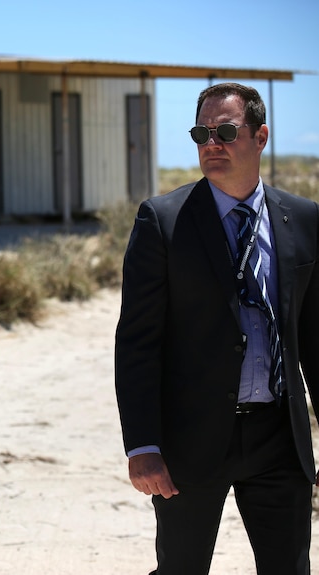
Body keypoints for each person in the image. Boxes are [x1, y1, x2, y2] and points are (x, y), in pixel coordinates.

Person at [115, 82, 319, 574]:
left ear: (261, 135)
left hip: (279, 439)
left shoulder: (305, 220)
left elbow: (314, 337)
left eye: (225, 131)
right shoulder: (162, 221)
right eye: (201, 133)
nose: (212, 143)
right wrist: (142, 445)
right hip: (191, 441)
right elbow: (138, 342)